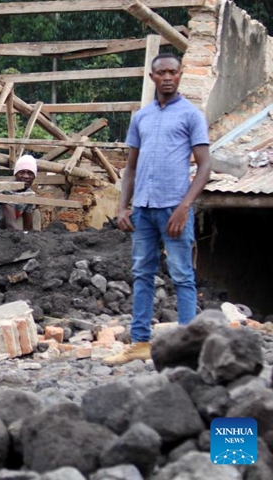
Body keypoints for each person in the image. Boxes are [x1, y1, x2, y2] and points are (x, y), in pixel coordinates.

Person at [103, 53, 211, 366]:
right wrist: (124, 207)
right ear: (152, 77)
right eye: (161, 72)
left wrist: (184, 207)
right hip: (144, 211)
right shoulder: (142, 117)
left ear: (180, 76)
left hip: (174, 208)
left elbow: (204, 166)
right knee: (142, 275)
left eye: (172, 72)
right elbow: (131, 168)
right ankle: (139, 343)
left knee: (182, 275)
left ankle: (188, 348)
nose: (167, 77)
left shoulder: (191, 115)